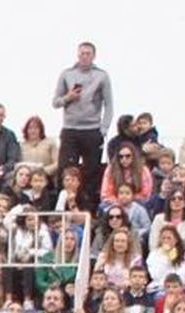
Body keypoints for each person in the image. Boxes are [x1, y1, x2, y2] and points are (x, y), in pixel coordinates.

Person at [53, 42, 113, 197]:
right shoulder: (67, 74)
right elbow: (55, 102)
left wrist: (104, 129)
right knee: (66, 170)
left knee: (91, 172)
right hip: (70, 129)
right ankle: (63, 205)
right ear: (77, 55)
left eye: (88, 53)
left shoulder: (102, 75)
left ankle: (88, 208)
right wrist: (69, 97)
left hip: (92, 130)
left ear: (93, 56)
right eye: (82, 54)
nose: (84, 57)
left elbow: (109, 104)